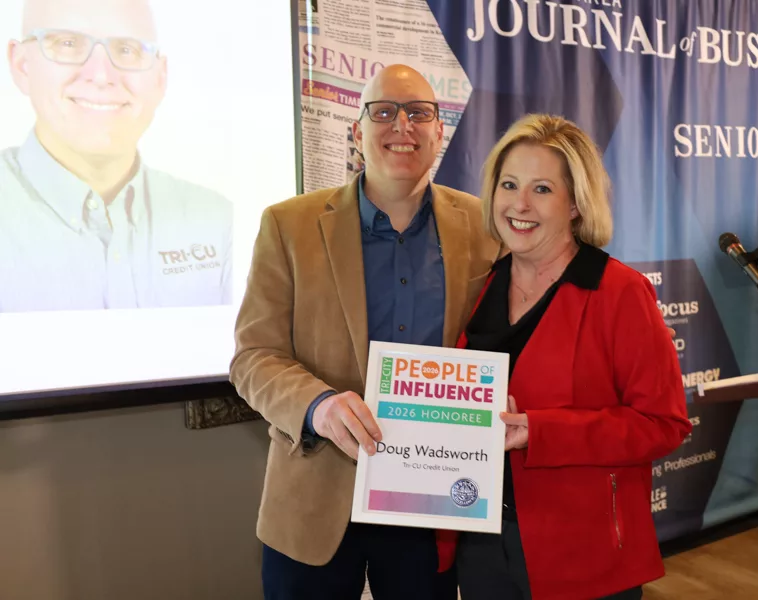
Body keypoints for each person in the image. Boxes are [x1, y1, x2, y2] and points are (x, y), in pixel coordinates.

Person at [229, 64, 500, 599]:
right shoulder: (289, 225)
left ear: (439, 131)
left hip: (435, 499)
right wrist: (318, 406)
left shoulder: (484, 226)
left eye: (419, 112)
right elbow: (253, 357)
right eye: (383, 111)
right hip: (315, 497)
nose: (402, 125)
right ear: (357, 130)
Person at [436, 114, 693, 600]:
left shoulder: (620, 291)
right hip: (483, 541)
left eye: (542, 189)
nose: (520, 204)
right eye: (509, 184)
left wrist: (543, 431)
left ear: (575, 204)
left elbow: (664, 424)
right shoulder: (481, 284)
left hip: (582, 551)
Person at [0, 0, 232, 313]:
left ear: (160, 77)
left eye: (126, 49)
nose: (100, 76)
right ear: (22, 65)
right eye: (68, 44)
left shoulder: (219, 222)